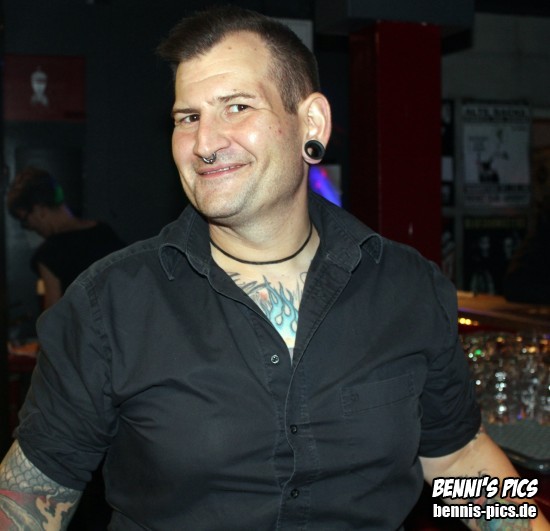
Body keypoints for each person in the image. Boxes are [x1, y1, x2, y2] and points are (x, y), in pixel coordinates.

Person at [0, 6, 548, 530]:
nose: (205, 143)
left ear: (312, 122)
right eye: (188, 117)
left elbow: (454, 457)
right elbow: (34, 496)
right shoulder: (109, 305)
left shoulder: (407, 286)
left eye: (237, 107)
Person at [7, 167, 125, 308]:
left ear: (39, 210)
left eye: (25, 220)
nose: (29, 227)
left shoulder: (49, 254)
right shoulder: (104, 231)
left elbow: (53, 315)